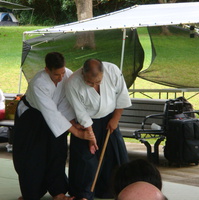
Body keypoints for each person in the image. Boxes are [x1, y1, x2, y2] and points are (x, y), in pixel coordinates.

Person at [13, 52, 95, 200]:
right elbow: (50, 112)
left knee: (58, 151)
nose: (61, 77)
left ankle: (58, 192)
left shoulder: (67, 74)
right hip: (32, 117)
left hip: (58, 117)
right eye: (57, 74)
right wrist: (76, 132)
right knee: (32, 156)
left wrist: (73, 124)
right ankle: (31, 194)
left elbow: (65, 103)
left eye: (62, 72)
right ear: (47, 69)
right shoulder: (39, 83)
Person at [65, 59, 132, 200]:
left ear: (103, 72)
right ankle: (84, 194)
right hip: (87, 123)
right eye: (90, 83)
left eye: (98, 82)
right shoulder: (73, 83)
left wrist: (115, 119)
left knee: (114, 155)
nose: (94, 85)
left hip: (110, 119)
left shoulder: (112, 70)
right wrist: (90, 136)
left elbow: (122, 95)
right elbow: (80, 112)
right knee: (86, 159)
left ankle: (113, 191)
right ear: (83, 73)